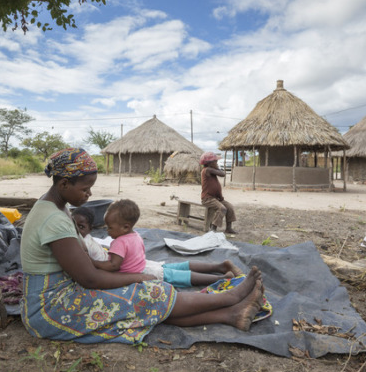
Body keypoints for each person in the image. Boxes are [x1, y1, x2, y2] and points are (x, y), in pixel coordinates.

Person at [20, 147, 265, 345]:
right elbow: (90, 280)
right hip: (50, 308)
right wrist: (137, 278)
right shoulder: (53, 219)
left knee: (143, 303)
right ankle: (230, 297)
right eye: (85, 189)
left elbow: (86, 267)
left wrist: (129, 276)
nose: (89, 194)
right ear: (63, 184)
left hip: (62, 292)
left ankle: (232, 314)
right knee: (150, 292)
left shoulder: (55, 207)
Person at [92, 199, 242, 287]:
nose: (107, 231)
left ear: (125, 227)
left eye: (110, 227)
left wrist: (95, 263)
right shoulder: (135, 235)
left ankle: (220, 278)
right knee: (181, 267)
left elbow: (113, 266)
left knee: (182, 276)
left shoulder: (118, 243)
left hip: (145, 272)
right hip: (146, 265)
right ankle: (219, 266)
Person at [200, 151, 237, 234]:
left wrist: (220, 197)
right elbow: (223, 174)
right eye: (215, 161)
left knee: (230, 207)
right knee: (222, 208)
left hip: (215, 198)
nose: (216, 163)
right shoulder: (207, 170)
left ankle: (228, 228)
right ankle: (213, 229)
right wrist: (216, 167)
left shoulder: (211, 169)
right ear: (209, 163)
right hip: (207, 199)